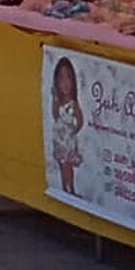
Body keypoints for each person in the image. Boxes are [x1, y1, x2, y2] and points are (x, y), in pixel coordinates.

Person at [51, 56, 84, 196]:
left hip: (68, 139)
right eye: (61, 78)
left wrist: (73, 131)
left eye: (68, 78)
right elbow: (55, 115)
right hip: (60, 138)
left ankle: (71, 188)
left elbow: (80, 119)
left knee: (68, 165)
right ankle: (64, 188)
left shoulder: (73, 103)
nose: (65, 83)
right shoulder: (58, 102)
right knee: (62, 164)